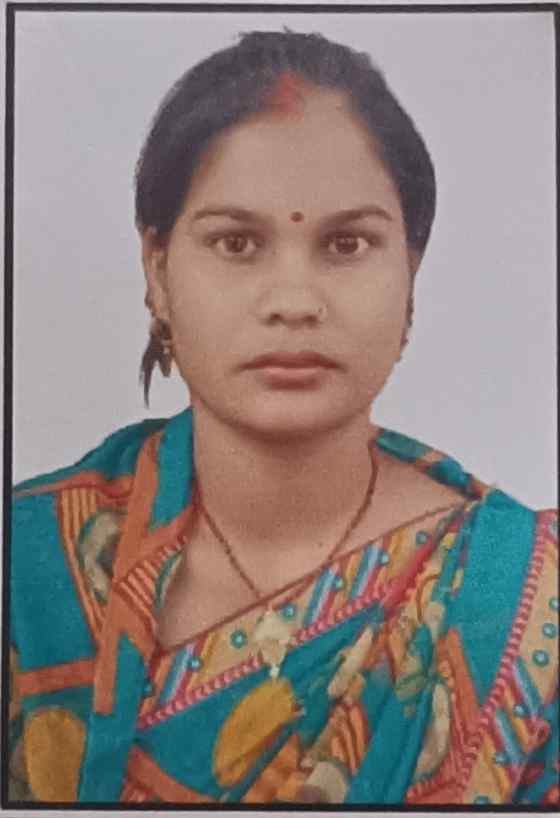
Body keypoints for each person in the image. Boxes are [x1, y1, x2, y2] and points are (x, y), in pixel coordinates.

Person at [8, 30, 558, 805]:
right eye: (237, 243)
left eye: (347, 243)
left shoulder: (519, 601)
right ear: (158, 272)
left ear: (411, 269)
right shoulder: (28, 570)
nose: (295, 301)